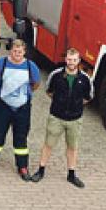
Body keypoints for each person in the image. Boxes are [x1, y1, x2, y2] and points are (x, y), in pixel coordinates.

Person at [31, 48, 92, 188]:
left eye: (74, 60)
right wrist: (60, 103)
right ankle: (40, 170)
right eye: (69, 59)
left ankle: (71, 174)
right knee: (48, 145)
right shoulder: (56, 75)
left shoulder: (85, 79)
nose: (71, 62)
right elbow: (49, 92)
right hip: (56, 117)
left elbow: (87, 97)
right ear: (65, 59)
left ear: (79, 61)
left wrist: (75, 106)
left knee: (72, 147)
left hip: (75, 120)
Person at [0, 39, 41, 181]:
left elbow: (36, 83)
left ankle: (22, 167)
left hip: (22, 108)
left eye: (20, 51)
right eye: (15, 51)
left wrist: (24, 95)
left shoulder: (30, 66)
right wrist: (0, 92)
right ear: (10, 51)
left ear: (24, 52)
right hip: (3, 106)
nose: (17, 54)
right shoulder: (0, 64)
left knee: (21, 139)